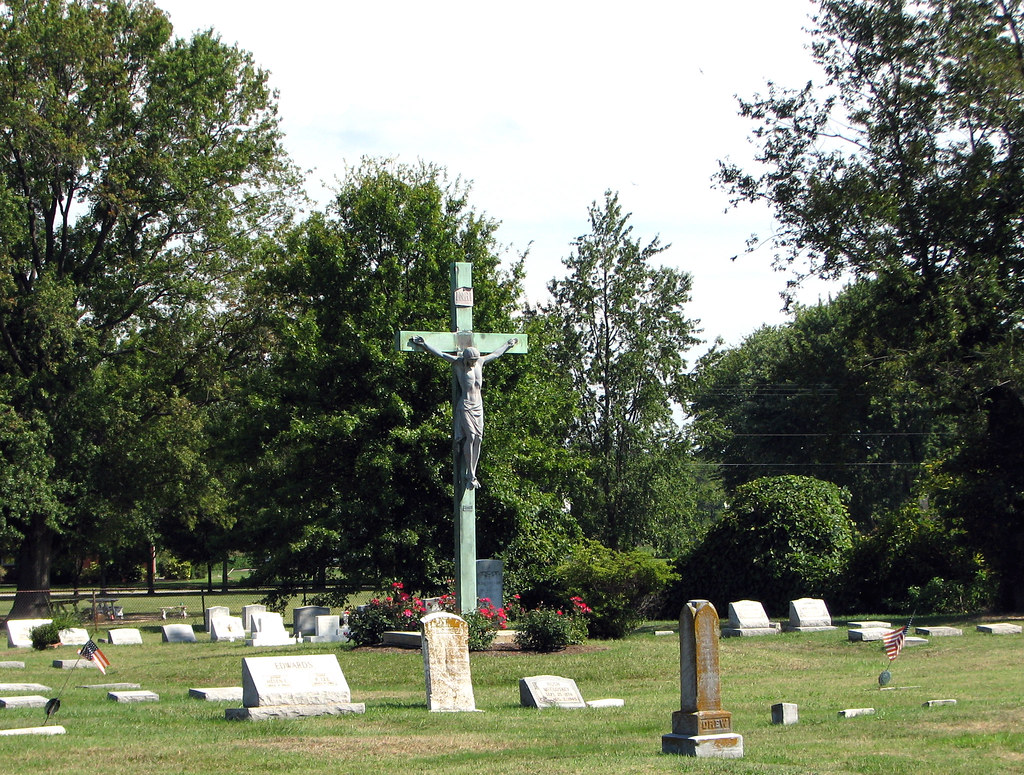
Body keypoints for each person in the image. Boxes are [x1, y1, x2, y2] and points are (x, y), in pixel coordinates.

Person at [411, 336, 518, 489]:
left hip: (478, 405)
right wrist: (424, 344)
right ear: (466, 359)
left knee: (479, 439)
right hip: (466, 405)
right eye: (471, 361)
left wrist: (508, 345)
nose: (473, 363)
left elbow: (495, 354)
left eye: (475, 360)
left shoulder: (480, 362)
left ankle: (472, 473)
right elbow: (441, 354)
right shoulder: (458, 364)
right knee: (471, 436)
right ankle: (470, 473)